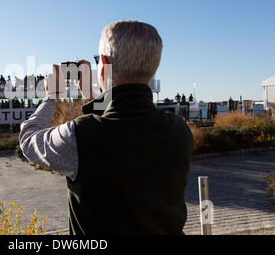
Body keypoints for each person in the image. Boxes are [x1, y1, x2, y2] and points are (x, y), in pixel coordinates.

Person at [19, 20, 193, 235]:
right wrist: (88, 94)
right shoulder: (179, 130)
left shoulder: (78, 135)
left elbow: (28, 139)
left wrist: (51, 96)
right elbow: (119, 124)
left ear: (103, 63)